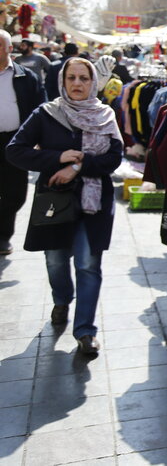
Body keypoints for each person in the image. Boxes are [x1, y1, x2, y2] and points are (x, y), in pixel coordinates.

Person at [6, 57, 123, 355]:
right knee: (56, 262)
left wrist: (77, 167)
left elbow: (112, 160)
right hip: (55, 202)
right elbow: (15, 151)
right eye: (71, 77)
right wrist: (57, 159)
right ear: (62, 80)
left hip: (94, 203)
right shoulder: (46, 114)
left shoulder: (105, 115)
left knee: (87, 264)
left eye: (84, 78)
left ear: (94, 81)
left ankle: (85, 331)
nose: (77, 84)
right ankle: (61, 299)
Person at [0, 30, 45, 256]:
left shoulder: (26, 77)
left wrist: (40, 140)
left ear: (9, 49)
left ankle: (3, 234)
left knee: (16, 193)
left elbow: (40, 109)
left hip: (15, 141)